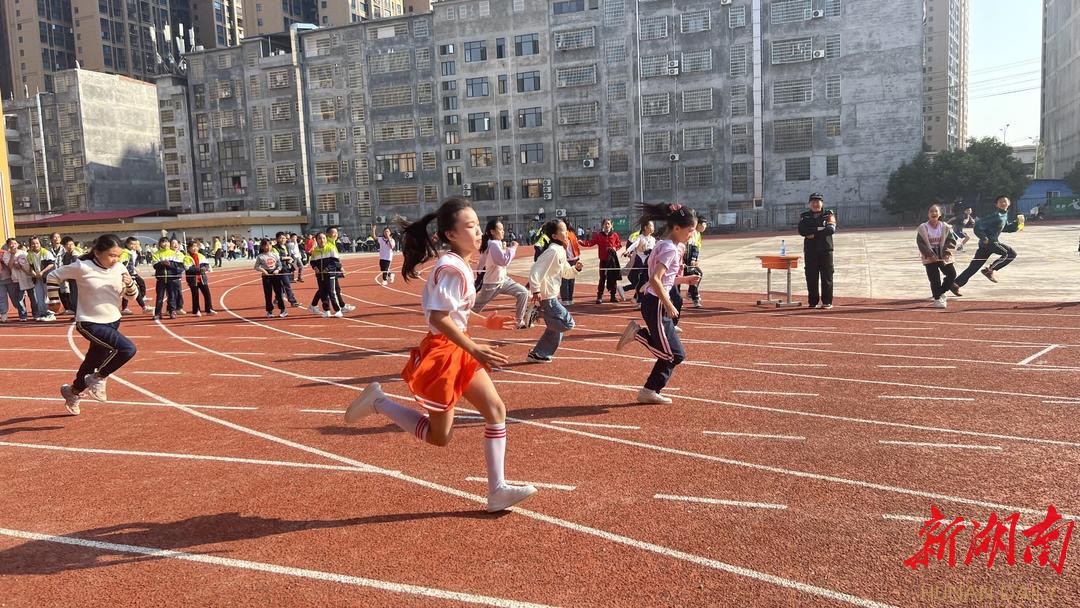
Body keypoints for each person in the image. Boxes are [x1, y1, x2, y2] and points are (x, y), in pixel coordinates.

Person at [343, 197, 537, 513]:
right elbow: (438, 316)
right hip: (445, 353)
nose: (479, 232)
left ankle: (497, 490)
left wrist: (484, 322)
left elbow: (456, 310)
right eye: (471, 226)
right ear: (451, 234)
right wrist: (473, 347)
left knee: (495, 410)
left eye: (478, 225)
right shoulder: (451, 268)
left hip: (458, 348)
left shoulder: (459, 264)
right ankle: (378, 401)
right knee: (439, 436)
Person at [615, 204, 700, 404]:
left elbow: (665, 279)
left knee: (674, 354)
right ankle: (638, 334)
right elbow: (655, 279)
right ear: (676, 228)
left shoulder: (663, 244)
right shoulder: (670, 249)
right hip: (657, 305)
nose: (692, 235)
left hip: (654, 302)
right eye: (690, 231)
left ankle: (650, 390)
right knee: (674, 355)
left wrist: (684, 280)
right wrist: (669, 304)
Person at [55, 234, 139, 415]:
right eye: (112, 255)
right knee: (127, 349)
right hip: (89, 322)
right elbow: (54, 276)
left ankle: (73, 391)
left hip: (113, 320)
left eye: (119, 255)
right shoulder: (82, 266)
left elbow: (131, 296)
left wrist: (130, 284)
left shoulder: (120, 268)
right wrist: (53, 301)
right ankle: (99, 377)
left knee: (93, 360)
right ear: (98, 252)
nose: (116, 259)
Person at [526, 219, 583, 363]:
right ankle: (539, 313)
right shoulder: (552, 251)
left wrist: (575, 269)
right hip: (547, 296)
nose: (567, 232)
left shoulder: (560, 250)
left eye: (566, 229)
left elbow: (566, 273)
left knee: (556, 330)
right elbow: (535, 270)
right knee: (567, 323)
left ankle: (539, 354)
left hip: (552, 294)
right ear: (554, 236)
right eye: (563, 230)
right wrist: (535, 290)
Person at [952, 195, 1020, 291]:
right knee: (1010, 254)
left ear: (1009, 203)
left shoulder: (1004, 215)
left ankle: (955, 284)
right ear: (996, 205)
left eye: (1005, 201)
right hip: (991, 243)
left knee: (974, 266)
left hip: (986, 245)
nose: (1003, 203)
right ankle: (990, 270)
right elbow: (978, 226)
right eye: (1000, 202)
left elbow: (1004, 227)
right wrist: (983, 237)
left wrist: (1016, 224)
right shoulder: (996, 215)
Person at [474, 218, 531, 329]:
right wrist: (513, 248)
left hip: (503, 280)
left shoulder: (495, 243)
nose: (503, 231)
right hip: (491, 283)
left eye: (503, 229)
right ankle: (456, 321)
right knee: (475, 308)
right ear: (492, 231)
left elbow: (485, 263)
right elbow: (503, 261)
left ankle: (519, 322)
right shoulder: (493, 244)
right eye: (500, 229)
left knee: (523, 292)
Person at [797, 193, 837, 309]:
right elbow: (802, 231)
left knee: (827, 276)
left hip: (826, 250)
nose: (815, 204)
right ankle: (813, 302)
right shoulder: (805, 216)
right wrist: (820, 229)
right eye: (813, 202)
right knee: (811, 276)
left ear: (822, 203)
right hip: (810, 251)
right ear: (809, 204)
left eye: (818, 202)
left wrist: (813, 233)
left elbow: (830, 229)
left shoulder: (829, 214)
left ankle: (827, 302)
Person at [916, 204, 958, 309]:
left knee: (951, 274)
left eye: (936, 211)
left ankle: (940, 292)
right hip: (929, 255)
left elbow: (951, 241)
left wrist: (946, 252)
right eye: (931, 211)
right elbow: (920, 243)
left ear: (940, 214)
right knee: (934, 279)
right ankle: (937, 299)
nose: (933, 213)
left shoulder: (945, 227)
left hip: (943, 254)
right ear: (928, 214)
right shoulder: (922, 228)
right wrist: (929, 255)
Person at [582, 218, 622, 304]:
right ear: (603, 225)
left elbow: (619, 244)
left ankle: (613, 296)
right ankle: (599, 297)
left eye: (608, 224)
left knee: (613, 278)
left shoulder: (614, 235)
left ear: (611, 225)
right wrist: (582, 243)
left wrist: (615, 248)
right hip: (603, 260)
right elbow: (591, 243)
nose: (607, 225)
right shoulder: (599, 235)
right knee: (602, 278)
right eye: (605, 224)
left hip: (612, 261)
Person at [621, 219, 655, 306]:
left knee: (647, 282)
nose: (653, 227)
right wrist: (628, 251)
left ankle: (639, 299)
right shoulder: (640, 237)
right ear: (645, 227)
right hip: (640, 262)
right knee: (640, 281)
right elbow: (635, 244)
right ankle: (639, 300)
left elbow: (655, 249)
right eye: (651, 226)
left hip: (648, 263)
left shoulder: (653, 239)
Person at [308, 232, 343, 318]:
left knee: (332, 292)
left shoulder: (331, 248)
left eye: (323, 238)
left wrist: (327, 269)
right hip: (320, 276)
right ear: (316, 240)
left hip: (330, 275)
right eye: (319, 238)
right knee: (323, 293)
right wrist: (315, 268)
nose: (322, 240)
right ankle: (327, 311)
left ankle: (338, 310)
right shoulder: (315, 251)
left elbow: (336, 262)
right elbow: (312, 262)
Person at [151, 236, 185, 319]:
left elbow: (179, 266)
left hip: (172, 279)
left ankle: (172, 311)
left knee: (172, 296)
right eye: (163, 242)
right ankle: (158, 313)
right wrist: (162, 263)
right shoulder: (156, 254)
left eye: (166, 242)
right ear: (160, 244)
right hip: (161, 279)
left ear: (169, 243)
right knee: (159, 297)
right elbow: (155, 265)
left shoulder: (175, 253)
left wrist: (169, 264)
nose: (165, 244)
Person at [25, 236, 57, 321]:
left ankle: (50, 313)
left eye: (37, 243)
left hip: (46, 277)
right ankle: (42, 313)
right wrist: (33, 272)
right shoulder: (29, 254)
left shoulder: (46, 252)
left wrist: (42, 272)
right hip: (37, 278)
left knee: (48, 296)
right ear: (30, 245)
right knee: (39, 296)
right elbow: (31, 266)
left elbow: (51, 264)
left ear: (40, 243)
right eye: (33, 243)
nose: (35, 245)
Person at [254, 238, 287, 318]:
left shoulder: (275, 254)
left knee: (279, 293)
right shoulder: (260, 256)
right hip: (266, 276)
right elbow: (256, 267)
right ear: (262, 247)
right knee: (268, 294)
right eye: (265, 245)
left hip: (275, 275)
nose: (267, 247)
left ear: (271, 245)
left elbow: (279, 264)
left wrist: (277, 270)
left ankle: (283, 310)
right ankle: (269, 311)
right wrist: (263, 270)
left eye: (269, 245)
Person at [184, 240, 217, 316]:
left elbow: (206, 265)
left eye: (196, 246)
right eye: (192, 247)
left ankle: (209, 309)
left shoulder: (201, 256)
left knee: (207, 294)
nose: (194, 248)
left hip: (202, 279)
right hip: (193, 280)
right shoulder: (187, 258)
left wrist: (205, 268)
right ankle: (196, 310)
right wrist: (199, 270)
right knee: (195, 295)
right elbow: (188, 269)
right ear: (189, 248)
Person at [0, 239, 30, 322]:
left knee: (15, 298)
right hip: (0, 281)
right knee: (2, 298)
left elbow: (9, 265)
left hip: (10, 279)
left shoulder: (3, 253)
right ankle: (4, 314)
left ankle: (21, 309)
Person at [120, 237, 150, 315]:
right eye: (132, 244)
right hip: (128, 274)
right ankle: (143, 307)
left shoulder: (133, 252)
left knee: (138, 286)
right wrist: (125, 273)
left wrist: (134, 268)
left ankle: (126, 308)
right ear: (127, 244)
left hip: (132, 273)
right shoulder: (125, 253)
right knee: (133, 290)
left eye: (135, 244)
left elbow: (134, 262)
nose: (134, 246)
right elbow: (122, 263)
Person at [271, 232, 301, 308]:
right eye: (280, 238)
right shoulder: (274, 248)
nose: (282, 239)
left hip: (287, 268)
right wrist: (288, 258)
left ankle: (277, 299)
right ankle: (293, 301)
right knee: (287, 285)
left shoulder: (286, 246)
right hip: (280, 269)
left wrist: (291, 259)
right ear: (277, 239)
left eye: (284, 238)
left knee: (282, 286)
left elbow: (290, 255)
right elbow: (277, 258)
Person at [684, 218, 707, 308]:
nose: (705, 227)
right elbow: (691, 247)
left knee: (697, 274)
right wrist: (692, 259)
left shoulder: (697, 234)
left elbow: (695, 248)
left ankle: (691, 293)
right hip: (686, 260)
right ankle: (694, 298)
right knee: (695, 275)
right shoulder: (692, 233)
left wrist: (695, 259)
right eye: (704, 225)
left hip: (691, 260)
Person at [561, 219, 582, 306]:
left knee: (565, 280)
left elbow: (564, 247)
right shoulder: (572, 233)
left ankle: (565, 299)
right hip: (574, 258)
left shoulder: (564, 234)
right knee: (571, 280)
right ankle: (570, 298)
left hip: (567, 259)